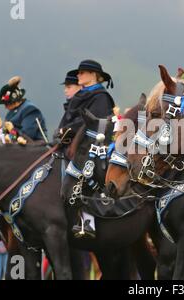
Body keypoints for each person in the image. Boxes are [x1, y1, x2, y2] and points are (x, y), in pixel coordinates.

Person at [56, 60, 116, 239]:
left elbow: (96, 123)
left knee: (85, 177)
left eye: (82, 72)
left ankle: (88, 222)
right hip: (73, 143)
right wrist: (61, 131)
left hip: (93, 146)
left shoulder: (101, 97)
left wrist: (70, 130)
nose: (79, 75)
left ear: (94, 76)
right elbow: (69, 119)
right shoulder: (80, 95)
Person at [0, 76, 47, 142]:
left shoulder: (30, 110)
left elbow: (26, 136)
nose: (5, 107)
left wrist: (11, 130)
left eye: (6, 104)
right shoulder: (10, 114)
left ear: (14, 101)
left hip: (36, 148)